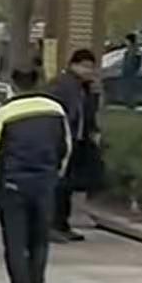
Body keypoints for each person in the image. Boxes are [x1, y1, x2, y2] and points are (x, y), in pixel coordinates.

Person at [0, 64, 71, 283]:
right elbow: (65, 148)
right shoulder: (55, 110)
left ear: (13, 84)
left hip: (13, 185)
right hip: (45, 183)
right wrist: (55, 175)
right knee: (39, 240)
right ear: (39, 80)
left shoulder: (5, 112)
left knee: (16, 241)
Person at [49, 47, 103, 241]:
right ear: (73, 65)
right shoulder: (62, 84)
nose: (88, 71)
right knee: (60, 184)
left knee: (69, 185)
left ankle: (62, 224)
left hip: (79, 141)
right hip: (63, 140)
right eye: (84, 66)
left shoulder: (86, 88)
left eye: (91, 67)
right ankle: (52, 224)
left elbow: (88, 114)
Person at [117, 30, 142, 105]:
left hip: (130, 71)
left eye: (126, 40)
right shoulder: (129, 48)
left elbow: (137, 61)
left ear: (129, 40)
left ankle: (130, 102)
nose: (125, 42)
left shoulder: (135, 49)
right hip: (128, 70)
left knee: (130, 87)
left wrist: (133, 68)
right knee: (127, 86)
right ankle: (127, 101)